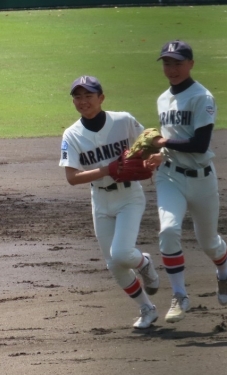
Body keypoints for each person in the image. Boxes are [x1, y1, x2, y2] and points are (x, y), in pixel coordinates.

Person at [145, 40, 227, 323]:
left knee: (209, 243)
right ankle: (180, 295)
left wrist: (163, 142)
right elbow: (170, 139)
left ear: (191, 64)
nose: (172, 69)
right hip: (169, 176)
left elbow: (199, 143)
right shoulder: (162, 99)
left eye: (178, 63)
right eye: (167, 63)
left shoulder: (201, 97)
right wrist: (158, 154)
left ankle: (224, 268)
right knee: (168, 230)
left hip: (202, 179)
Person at [60, 75, 161, 329]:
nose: (83, 101)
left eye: (88, 95)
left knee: (122, 254)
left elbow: (150, 144)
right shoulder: (72, 135)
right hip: (100, 201)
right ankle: (147, 308)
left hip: (129, 197)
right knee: (114, 265)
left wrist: (154, 158)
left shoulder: (123, 121)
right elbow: (72, 177)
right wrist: (108, 169)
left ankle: (144, 263)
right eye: (77, 97)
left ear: (101, 98)